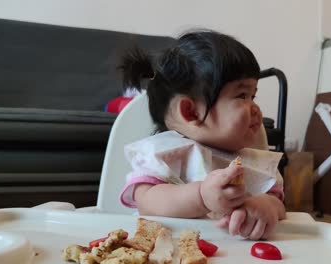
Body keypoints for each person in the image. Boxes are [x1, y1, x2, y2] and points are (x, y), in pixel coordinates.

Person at [117, 30, 286, 240]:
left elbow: (278, 205)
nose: (255, 108)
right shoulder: (167, 154)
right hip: (171, 249)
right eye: (242, 95)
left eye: (253, 95)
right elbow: (146, 201)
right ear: (191, 112)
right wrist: (200, 197)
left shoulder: (253, 161)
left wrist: (265, 206)